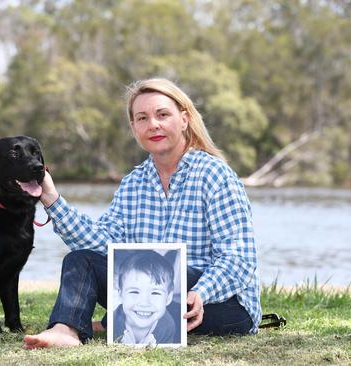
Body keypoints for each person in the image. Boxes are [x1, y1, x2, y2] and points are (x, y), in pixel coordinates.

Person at [22, 77, 261, 349]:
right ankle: (66, 330)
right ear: (133, 127)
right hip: (151, 297)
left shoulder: (216, 176)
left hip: (218, 302)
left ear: (184, 120)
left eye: (162, 115)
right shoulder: (133, 182)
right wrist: (52, 199)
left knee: (173, 289)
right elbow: (104, 244)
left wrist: (201, 292)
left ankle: (119, 322)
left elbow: (239, 258)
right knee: (81, 260)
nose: (153, 125)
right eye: (142, 118)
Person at [113, 250, 178, 345]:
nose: (144, 303)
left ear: (168, 298)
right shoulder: (114, 320)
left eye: (155, 293)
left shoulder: (167, 325)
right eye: (134, 291)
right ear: (120, 294)